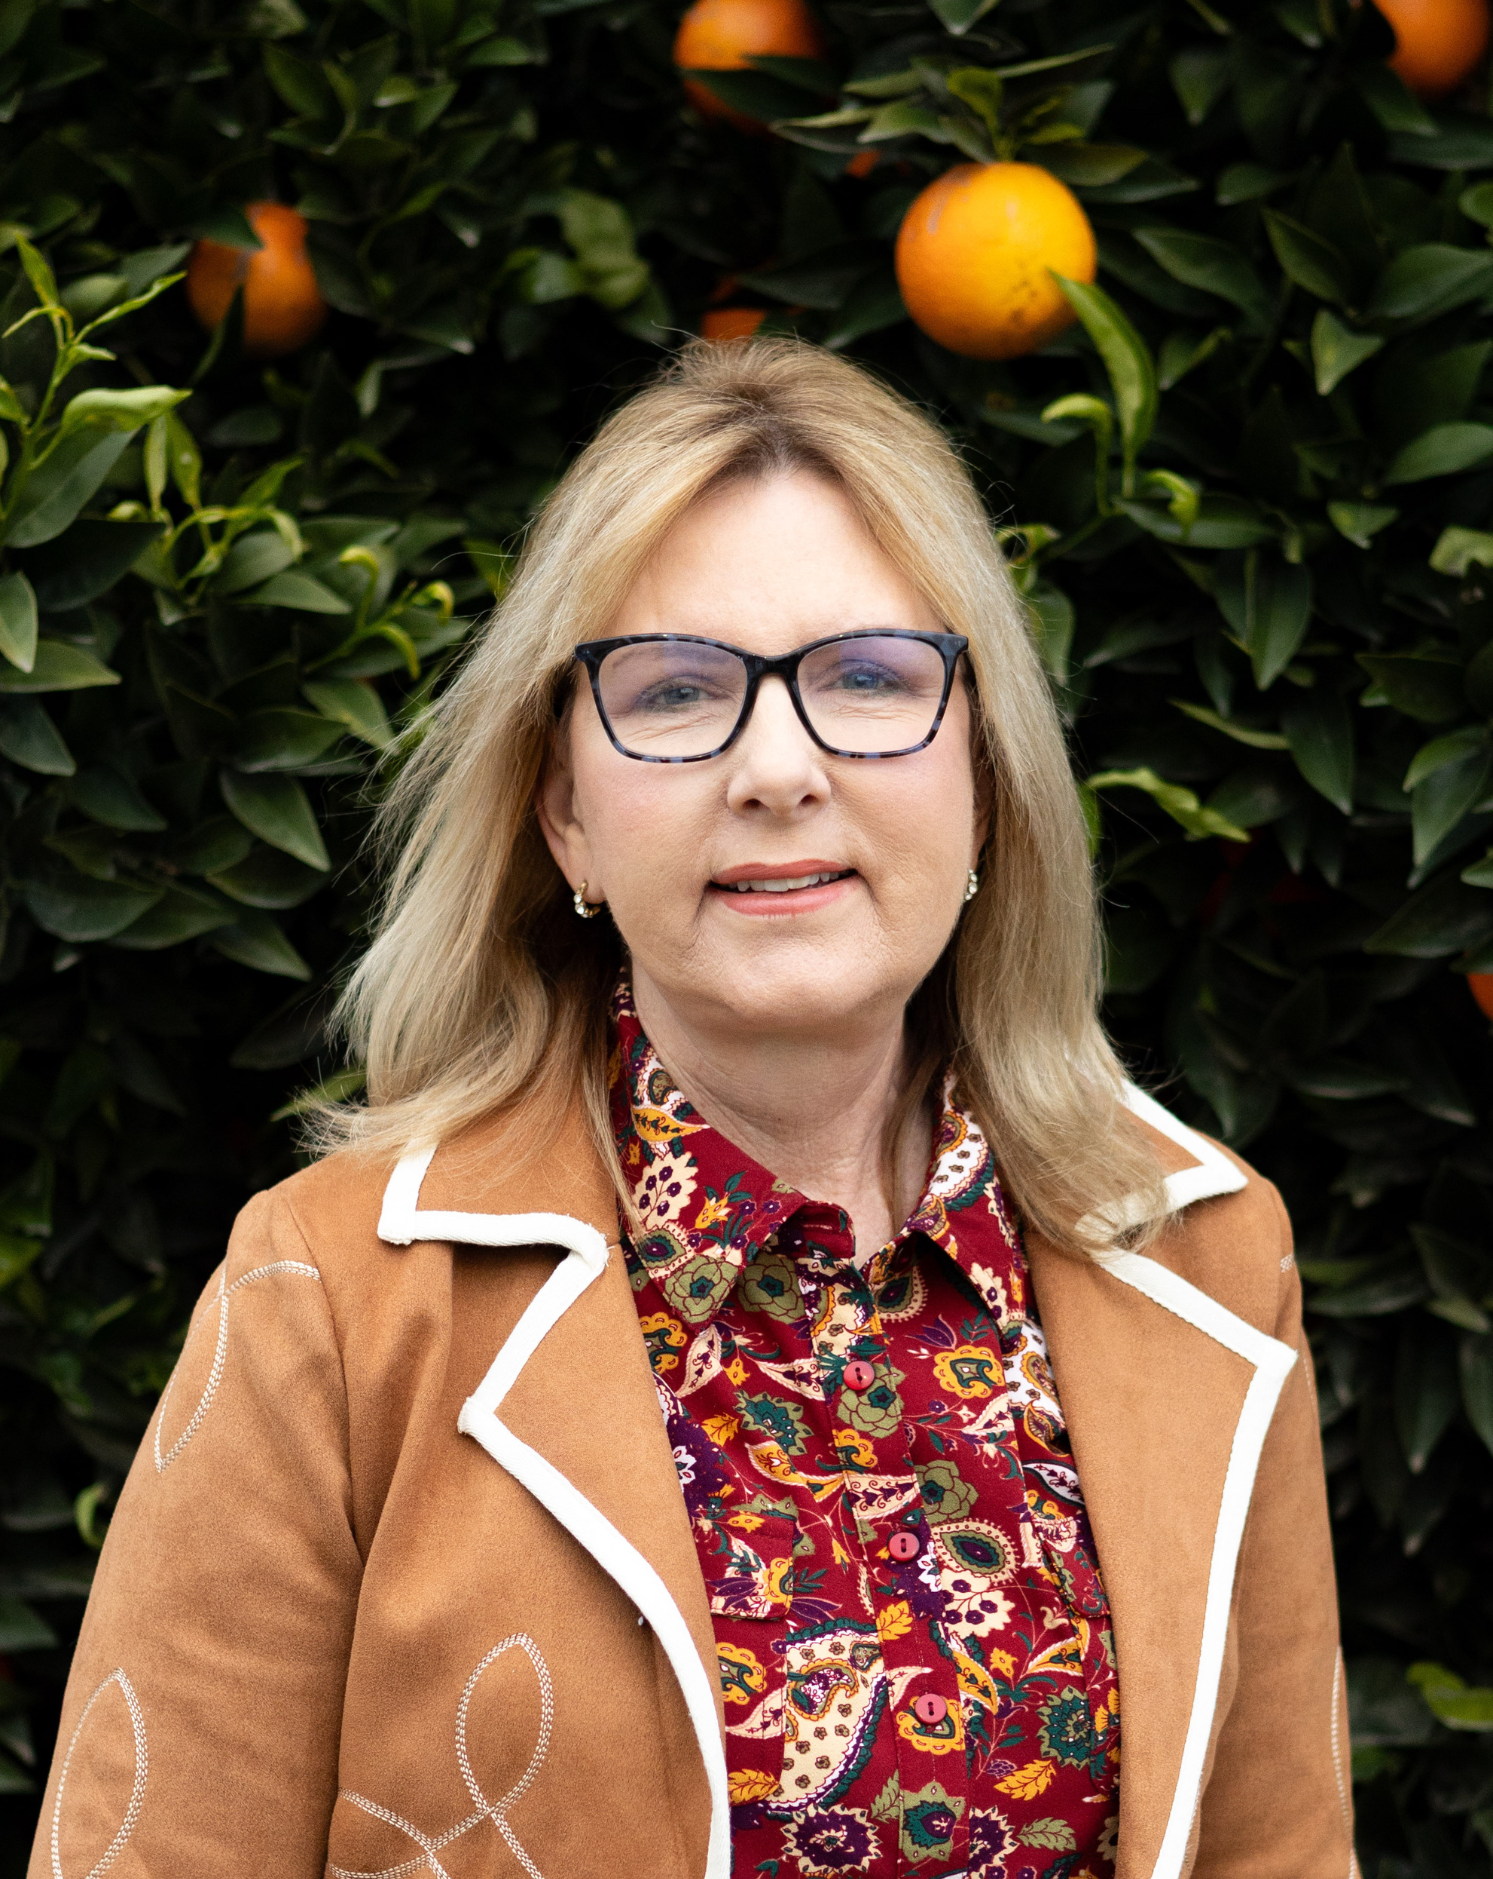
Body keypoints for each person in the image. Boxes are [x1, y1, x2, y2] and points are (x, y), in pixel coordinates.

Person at [31, 339, 1353, 1879]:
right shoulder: (331, 1302)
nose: (778, 767)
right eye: (675, 691)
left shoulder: (1207, 1257)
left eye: (867, 677)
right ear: (564, 812)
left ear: (983, 771)